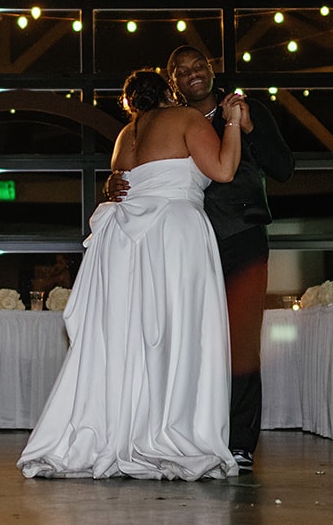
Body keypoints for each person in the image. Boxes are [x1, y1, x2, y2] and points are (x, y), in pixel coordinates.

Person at [18, 68, 245, 480]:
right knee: (177, 336)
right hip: (172, 235)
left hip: (122, 241)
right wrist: (230, 122)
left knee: (127, 342)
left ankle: (117, 431)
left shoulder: (126, 136)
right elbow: (224, 169)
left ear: (130, 104)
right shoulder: (186, 119)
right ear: (168, 93)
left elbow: (124, 182)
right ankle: (170, 433)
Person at [115, 46, 293, 472]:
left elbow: (283, 168)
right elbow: (140, 168)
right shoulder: (168, 122)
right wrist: (116, 183)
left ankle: (239, 441)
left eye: (199, 66)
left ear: (212, 70)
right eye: (182, 70)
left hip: (242, 239)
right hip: (186, 247)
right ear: (171, 81)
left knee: (241, 340)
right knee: (188, 341)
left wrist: (248, 128)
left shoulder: (245, 110)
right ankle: (190, 432)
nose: (193, 74)